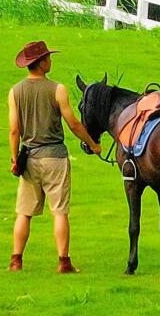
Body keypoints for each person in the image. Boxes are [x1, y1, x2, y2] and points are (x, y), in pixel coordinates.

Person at [8, 40, 100, 273]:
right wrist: (93, 144)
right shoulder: (57, 89)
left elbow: (14, 130)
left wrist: (13, 159)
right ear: (40, 63)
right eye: (48, 58)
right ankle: (63, 262)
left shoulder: (15, 91)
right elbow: (74, 124)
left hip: (28, 158)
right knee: (59, 212)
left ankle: (16, 261)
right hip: (55, 158)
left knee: (24, 213)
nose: (50, 60)